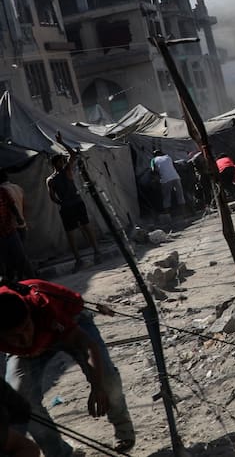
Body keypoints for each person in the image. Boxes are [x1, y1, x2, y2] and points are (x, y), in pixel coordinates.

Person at [0, 278, 135, 455]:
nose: (25, 339)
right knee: (23, 399)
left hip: (69, 323)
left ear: (30, 315)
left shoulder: (44, 306)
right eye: (15, 337)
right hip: (28, 352)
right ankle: (60, 453)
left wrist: (97, 386)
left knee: (105, 376)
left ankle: (124, 430)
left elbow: (88, 346)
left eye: (26, 328)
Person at [45, 151, 102, 272]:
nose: (63, 162)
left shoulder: (55, 177)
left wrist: (61, 203)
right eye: (61, 161)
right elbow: (52, 196)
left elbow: (52, 197)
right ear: (56, 163)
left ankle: (91, 254)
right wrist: (62, 203)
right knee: (78, 230)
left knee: (80, 229)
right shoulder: (59, 175)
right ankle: (87, 255)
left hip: (71, 205)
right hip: (74, 204)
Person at [151, 147, 186, 219]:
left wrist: (156, 180)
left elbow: (153, 171)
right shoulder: (168, 157)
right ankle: (184, 213)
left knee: (166, 197)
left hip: (165, 179)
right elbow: (174, 165)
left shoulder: (153, 160)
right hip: (176, 177)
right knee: (180, 195)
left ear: (154, 155)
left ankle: (168, 214)